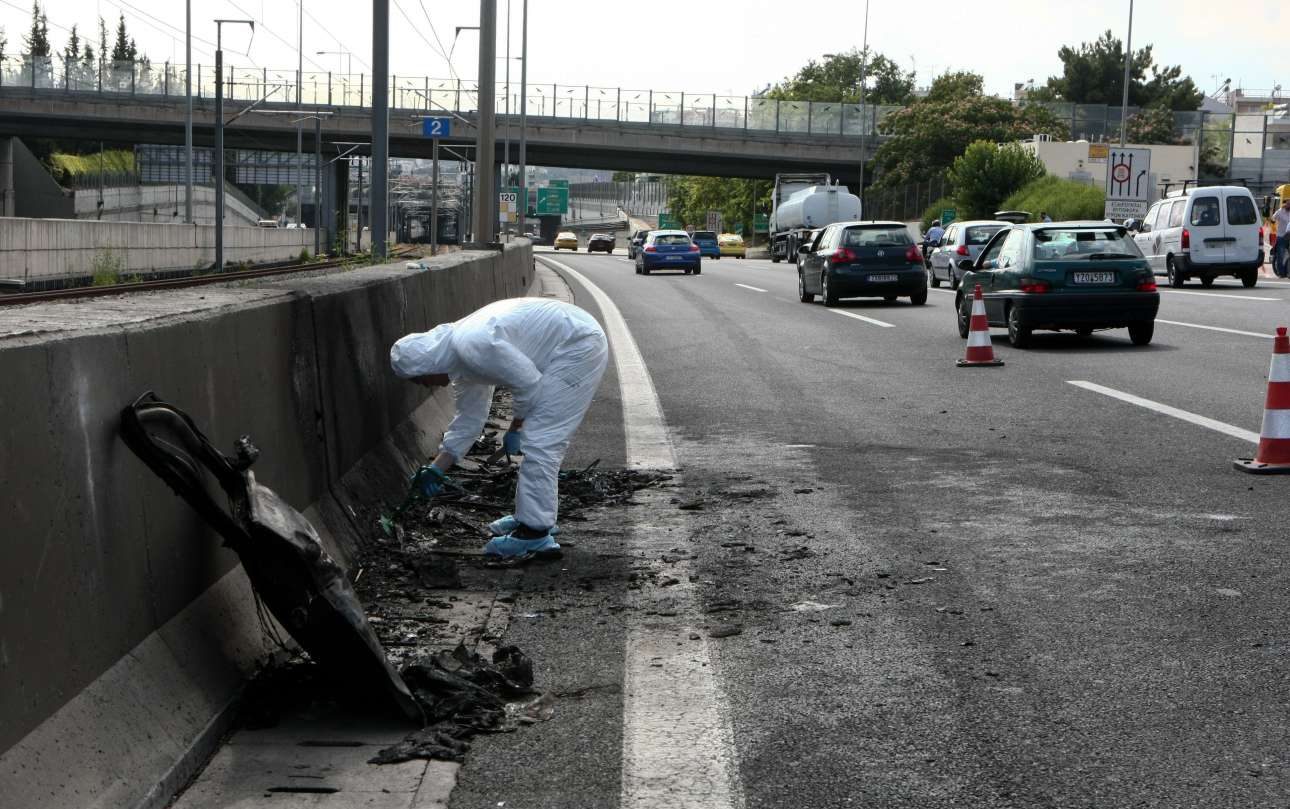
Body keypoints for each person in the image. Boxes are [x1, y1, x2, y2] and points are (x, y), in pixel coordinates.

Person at [389, 298, 609, 558]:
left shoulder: (471, 345)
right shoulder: (459, 361)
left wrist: (516, 426)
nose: (426, 386)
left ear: (426, 364)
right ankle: (529, 516)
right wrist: (437, 468)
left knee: (541, 441)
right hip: (566, 343)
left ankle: (534, 534)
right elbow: (470, 420)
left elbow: (528, 383)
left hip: (579, 344)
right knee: (537, 439)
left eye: (419, 379)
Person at [1272, 199, 1290, 278]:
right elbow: (1273, 218)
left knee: (1287, 256)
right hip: (1281, 236)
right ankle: (1281, 273)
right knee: (1281, 255)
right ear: (1285, 204)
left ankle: (1287, 272)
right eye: (1288, 204)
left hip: (1289, 236)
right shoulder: (1280, 211)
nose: (1289, 206)